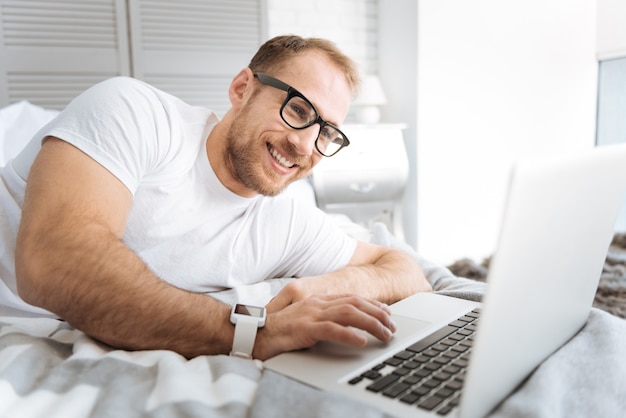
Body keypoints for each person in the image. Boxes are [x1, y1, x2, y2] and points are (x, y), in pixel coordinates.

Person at [0, 35, 431, 360]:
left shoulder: (286, 223)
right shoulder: (135, 112)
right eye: (298, 111)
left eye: (327, 133)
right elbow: (51, 264)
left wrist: (326, 286)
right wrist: (252, 332)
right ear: (242, 89)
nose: (305, 146)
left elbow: (406, 272)